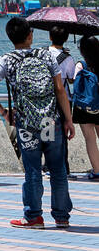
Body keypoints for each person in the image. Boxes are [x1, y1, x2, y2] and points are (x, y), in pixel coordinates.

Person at [0, 16, 73, 229]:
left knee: (33, 170)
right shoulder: (47, 56)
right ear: (30, 35)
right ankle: (61, 217)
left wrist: (4, 112)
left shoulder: (6, 60)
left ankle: (34, 217)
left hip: (26, 125)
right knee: (57, 169)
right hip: (50, 122)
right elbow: (60, 89)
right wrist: (68, 120)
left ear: (9, 37)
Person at [51, 26, 99, 179]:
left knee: (90, 139)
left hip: (84, 107)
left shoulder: (81, 65)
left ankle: (97, 171)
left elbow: (73, 81)